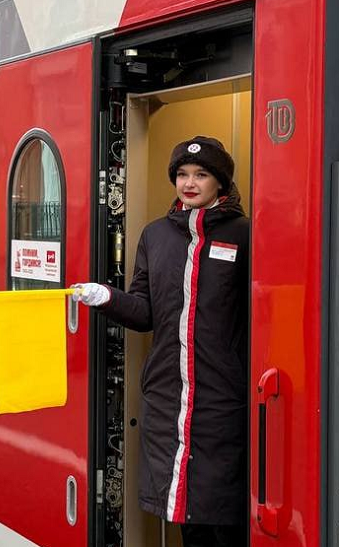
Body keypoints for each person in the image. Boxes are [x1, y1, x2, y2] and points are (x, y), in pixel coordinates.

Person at [74, 136, 249, 547]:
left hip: (222, 401)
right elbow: (144, 313)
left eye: (201, 175)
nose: (189, 183)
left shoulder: (245, 235)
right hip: (168, 398)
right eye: (182, 175)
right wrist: (106, 298)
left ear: (220, 182)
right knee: (188, 515)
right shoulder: (156, 236)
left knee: (224, 511)